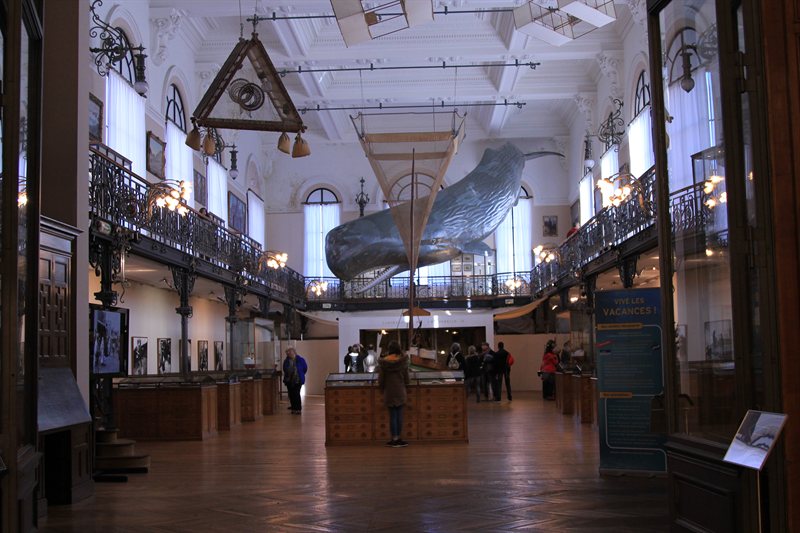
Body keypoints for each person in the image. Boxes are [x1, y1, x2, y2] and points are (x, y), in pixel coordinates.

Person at [378, 340, 410, 447]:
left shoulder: (384, 362)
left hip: (389, 391)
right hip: (400, 391)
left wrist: (381, 388)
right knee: (399, 415)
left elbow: (381, 380)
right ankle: (399, 438)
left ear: (389, 349)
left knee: (392, 416)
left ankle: (394, 438)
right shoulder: (403, 362)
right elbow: (407, 379)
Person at [283, 347, 308, 414]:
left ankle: (298, 409)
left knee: (296, 394)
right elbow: (285, 369)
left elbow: (305, 368)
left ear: (293, 351)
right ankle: (293, 408)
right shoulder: (286, 361)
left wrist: (300, 374)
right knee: (291, 395)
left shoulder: (300, 359)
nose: (288, 353)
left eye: (289, 351)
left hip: (298, 380)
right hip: (289, 380)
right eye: (287, 352)